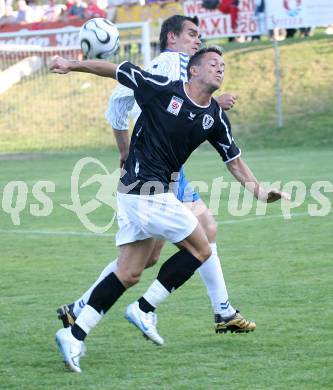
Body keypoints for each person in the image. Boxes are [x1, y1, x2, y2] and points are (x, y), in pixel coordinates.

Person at [50, 46, 290, 373]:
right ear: (193, 70)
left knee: (130, 271)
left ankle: (74, 334)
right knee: (202, 246)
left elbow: (233, 161)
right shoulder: (163, 89)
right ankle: (145, 308)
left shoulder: (215, 117)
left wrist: (260, 192)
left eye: (223, 65)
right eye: (213, 64)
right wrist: (70, 64)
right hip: (144, 190)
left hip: (145, 193)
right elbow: (117, 70)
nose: (220, 69)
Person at [57, 15, 253, 338]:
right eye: (191, 35)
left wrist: (124, 151)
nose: (196, 42)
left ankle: (78, 313)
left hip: (154, 164)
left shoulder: (166, 67)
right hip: (159, 168)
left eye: (199, 37)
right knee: (202, 236)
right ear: (171, 38)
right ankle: (215, 310)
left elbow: (118, 109)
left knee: (143, 260)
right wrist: (213, 103)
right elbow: (180, 101)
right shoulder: (172, 65)